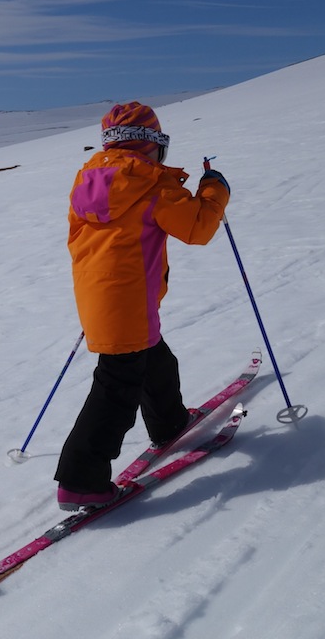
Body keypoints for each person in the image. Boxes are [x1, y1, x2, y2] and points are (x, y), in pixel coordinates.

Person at [55, 101, 231, 511]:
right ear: (150, 144)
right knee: (117, 387)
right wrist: (215, 189)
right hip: (126, 297)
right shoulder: (151, 184)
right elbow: (198, 227)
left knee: (155, 359)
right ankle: (80, 482)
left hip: (101, 293)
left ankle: (169, 421)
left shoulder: (88, 180)